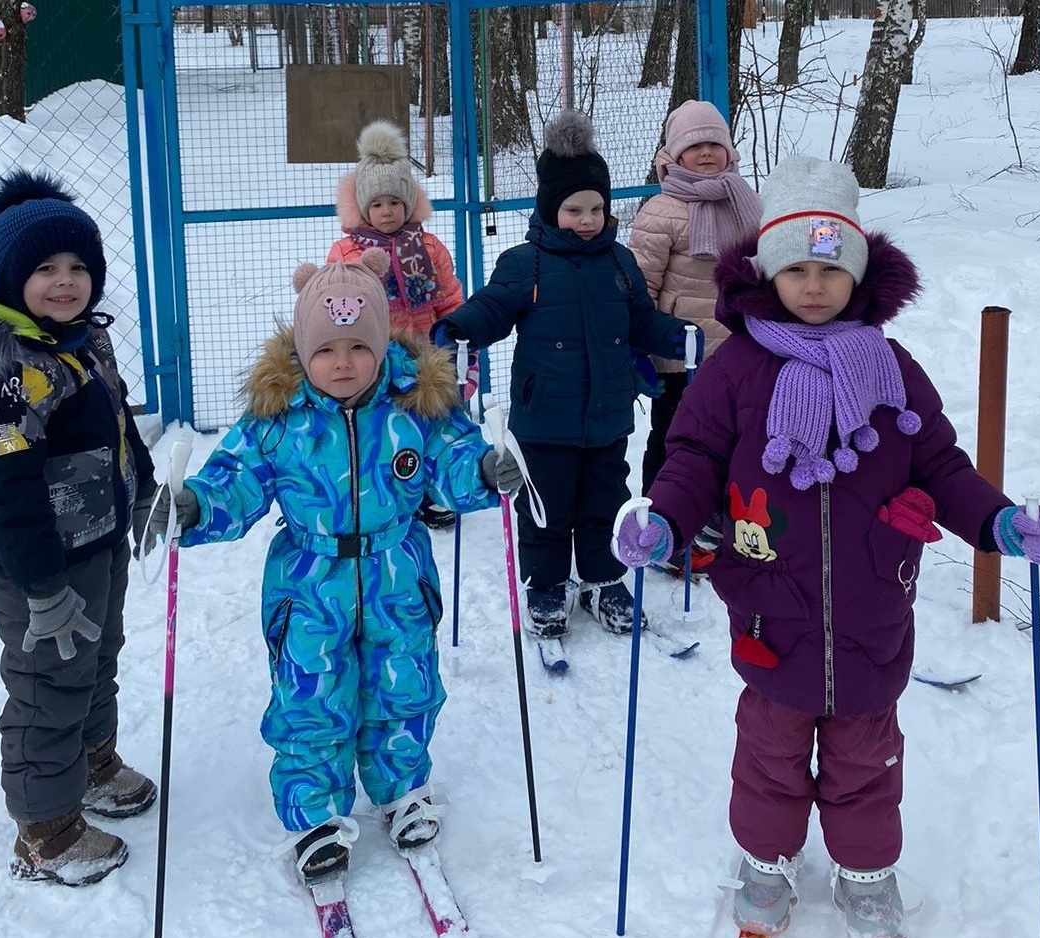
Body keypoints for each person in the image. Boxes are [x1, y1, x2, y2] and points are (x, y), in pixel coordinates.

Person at [611, 156, 1040, 938]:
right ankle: (767, 858)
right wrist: (666, 519)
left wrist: (998, 523)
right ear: (767, 271)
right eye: (796, 268)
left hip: (871, 610)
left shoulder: (890, 369)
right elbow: (692, 459)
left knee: (866, 759)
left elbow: (944, 467)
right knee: (769, 753)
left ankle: (865, 871)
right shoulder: (737, 369)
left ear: (856, 272)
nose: (813, 285)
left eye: (830, 267)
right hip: (769, 608)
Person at [146, 251, 521, 886]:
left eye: (357, 347)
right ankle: (315, 813)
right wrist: (196, 504)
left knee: (403, 686)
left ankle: (401, 789)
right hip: (309, 582)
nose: (341, 363)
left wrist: (484, 472)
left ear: (380, 344)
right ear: (302, 352)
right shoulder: (279, 415)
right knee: (311, 697)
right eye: (325, 350)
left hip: (397, 574)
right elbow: (235, 481)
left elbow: (454, 457)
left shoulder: (414, 404)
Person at [0, 170, 158, 886]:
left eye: (78, 267)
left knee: (98, 658)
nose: (66, 281)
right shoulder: (4, 367)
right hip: (40, 567)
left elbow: (119, 424)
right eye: (45, 268)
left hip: (97, 545)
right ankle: (43, 830)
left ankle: (93, 763)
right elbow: (7, 492)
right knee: (49, 684)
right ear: (12, 278)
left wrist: (143, 493)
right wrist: (41, 587)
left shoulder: (80, 341)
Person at [430, 109, 696, 639]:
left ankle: (603, 579)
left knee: (605, 502)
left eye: (597, 208)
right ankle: (546, 583)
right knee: (546, 507)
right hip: (543, 418)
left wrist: (675, 335)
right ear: (551, 210)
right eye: (574, 209)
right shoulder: (524, 263)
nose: (588, 219)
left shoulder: (620, 263)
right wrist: (459, 327)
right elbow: (493, 308)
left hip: (606, 417)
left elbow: (639, 320)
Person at [627, 100, 763, 581]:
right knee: (674, 442)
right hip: (679, 355)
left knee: (731, 443)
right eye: (695, 146)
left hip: (738, 353)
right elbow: (639, 283)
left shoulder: (745, 200)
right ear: (674, 155)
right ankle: (661, 525)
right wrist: (639, 346)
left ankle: (713, 528)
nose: (706, 154)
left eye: (714, 145)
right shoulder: (661, 211)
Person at [326, 119, 472, 531]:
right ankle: (377, 492)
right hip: (370, 358)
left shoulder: (428, 247)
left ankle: (429, 492)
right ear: (363, 208)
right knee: (377, 429)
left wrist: (456, 336)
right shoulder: (347, 249)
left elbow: (449, 298)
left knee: (425, 424)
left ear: (409, 203)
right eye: (377, 204)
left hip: (424, 354)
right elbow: (333, 302)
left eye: (394, 202)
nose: (387, 211)